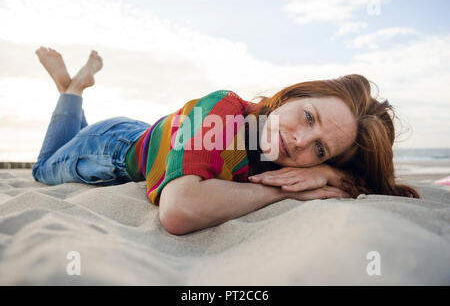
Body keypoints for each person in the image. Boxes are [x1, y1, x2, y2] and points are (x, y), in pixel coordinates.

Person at [32, 47, 420, 235]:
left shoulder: (291, 157)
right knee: (44, 167)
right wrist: (285, 193)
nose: (299, 141)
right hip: (112, 149)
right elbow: (178, 210)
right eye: (307, 117)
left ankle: (73, 96)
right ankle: (73, 91)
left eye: (319, 148)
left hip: (153, 133)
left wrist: (327, 175)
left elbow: (362, 183)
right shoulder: (224, 108)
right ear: (290, 96)